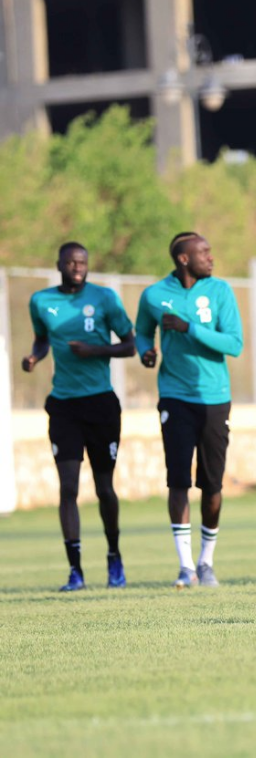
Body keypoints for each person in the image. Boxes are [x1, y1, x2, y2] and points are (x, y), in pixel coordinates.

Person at [23, 242, 136, 591]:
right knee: (68, 488)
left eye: (83, 262)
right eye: (71, 261)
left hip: (100, 404)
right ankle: (75, 571)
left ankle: (114, 557)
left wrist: (95, 350)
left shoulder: (104, 299)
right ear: (59, 263)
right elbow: (42, 339)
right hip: (64, 406)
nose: (77, 267)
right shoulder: (41, 301)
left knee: (104, 487)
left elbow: (130, 345)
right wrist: (34, 356)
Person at [136, 232, 243, 588]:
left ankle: (206, 561)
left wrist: (189, 328)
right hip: (174, 396)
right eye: (204, 253)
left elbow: (234, 344)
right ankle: (185, 566)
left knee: (212, 485)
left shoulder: (221, 291)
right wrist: (146, 351)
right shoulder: (153, 295)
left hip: (215, 397)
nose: (211, 258)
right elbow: (141, 333)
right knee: (178, 479)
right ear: (183, 259)